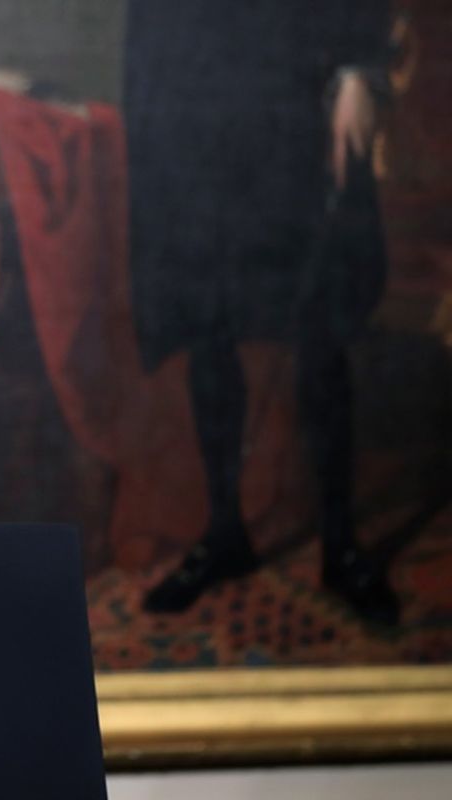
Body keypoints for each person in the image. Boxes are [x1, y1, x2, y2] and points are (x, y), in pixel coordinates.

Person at [124, 2, 398, 623]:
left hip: (290, 95)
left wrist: (357, 73)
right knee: (207, 323)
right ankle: (225, 532)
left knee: (318, 327)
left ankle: (341, 544)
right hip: (186, 99)